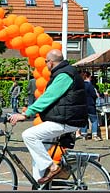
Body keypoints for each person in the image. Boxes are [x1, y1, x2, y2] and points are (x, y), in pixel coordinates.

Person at [9, 49, 87, 185]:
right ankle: (39, 186)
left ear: (51, 62)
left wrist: (26, 114)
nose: (45, 64)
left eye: (46, 61)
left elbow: (48, 97)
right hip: (63, 118)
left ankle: (53, 167)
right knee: (38, 152)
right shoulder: (65, 72)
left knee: (29, 135)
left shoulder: (64, 75)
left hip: (66, 120)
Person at [79, 71, 101, 141]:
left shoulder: (80, 85)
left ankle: (84, 135)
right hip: (90, 105)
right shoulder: (90, 85)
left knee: (84, 120)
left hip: (82, 105)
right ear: (88, 77)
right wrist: (97, 95)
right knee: (94, 120)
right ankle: (94, 135)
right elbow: (93, 95)